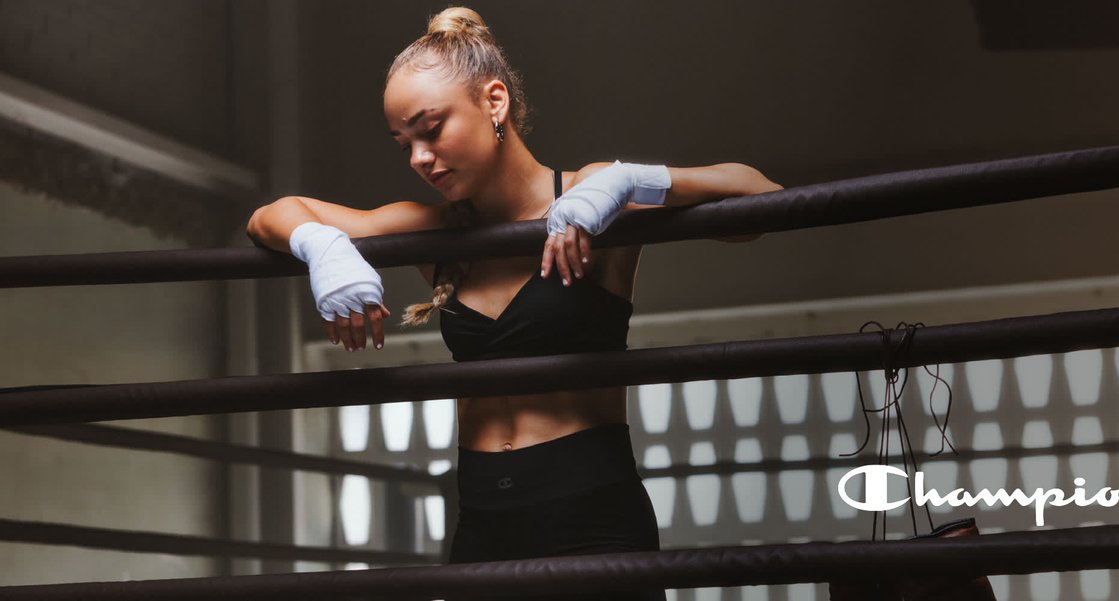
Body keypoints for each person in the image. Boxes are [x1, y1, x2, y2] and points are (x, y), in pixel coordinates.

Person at [247, 6, 781, 599]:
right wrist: (320, 245)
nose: (419, 158)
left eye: (431, 129)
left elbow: (762, 197)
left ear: (494, 102)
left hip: (592, 519)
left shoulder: (593, 193)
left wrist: (634, 180)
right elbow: (269, 215)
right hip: (482, 522)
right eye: (405, 143)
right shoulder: (433, 233)